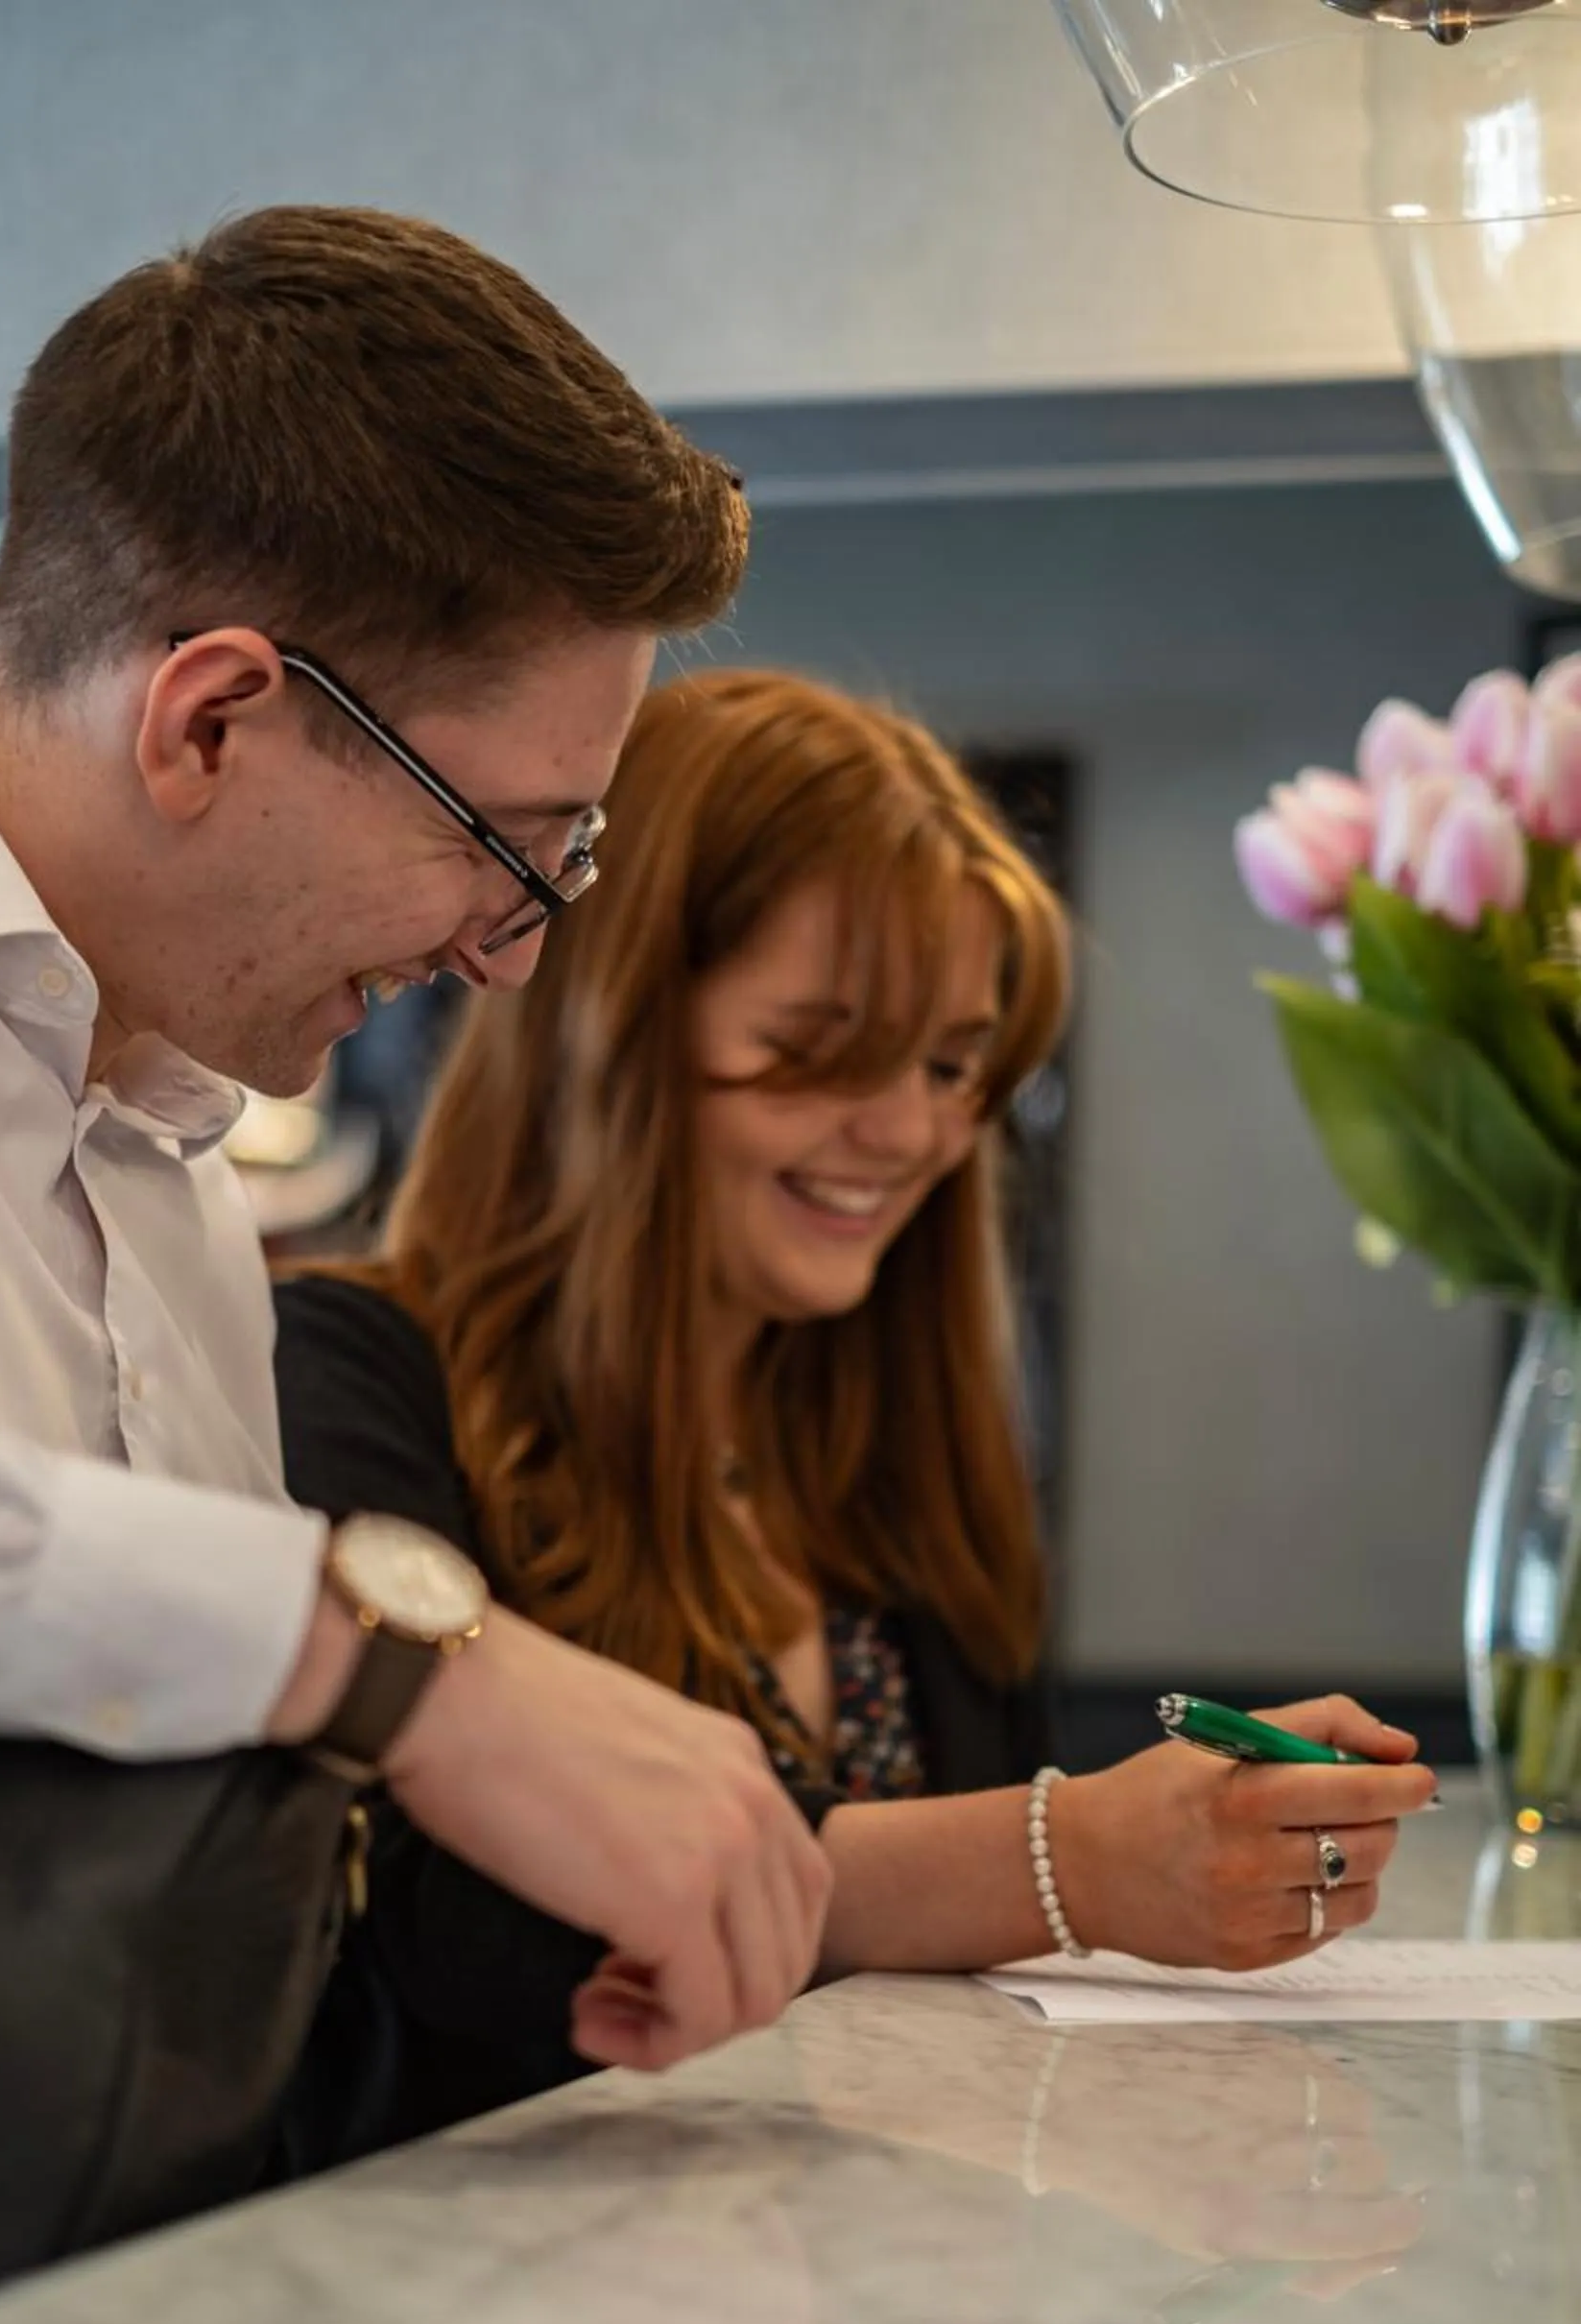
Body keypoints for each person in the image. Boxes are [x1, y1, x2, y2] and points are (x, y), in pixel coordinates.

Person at [0, 209, 829, 2076]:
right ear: (212, 718)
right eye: (509, 848)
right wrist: (372, 1658)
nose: (510, 957)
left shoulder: (184, 1189)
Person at [275, 668, 1438, 2159]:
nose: (906, 1131)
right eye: (823, 1045)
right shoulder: (351, 1373)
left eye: (952, 1065)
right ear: (606, 1029)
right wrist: (1061, 1859)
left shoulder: (889, 1458)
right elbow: (440, 1923)